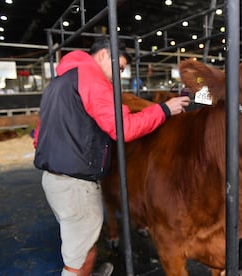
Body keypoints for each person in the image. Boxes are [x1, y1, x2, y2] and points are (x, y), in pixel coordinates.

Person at [33, 36, 190, 276]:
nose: (117, 76)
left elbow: (38, 136)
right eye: (119, 68)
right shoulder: (92, 78)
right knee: (80, 257)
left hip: (52, 180)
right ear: (104, 55)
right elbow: (123, 128)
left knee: (79, 242)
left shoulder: (57, 83)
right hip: (76, 186)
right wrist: (165, 109)